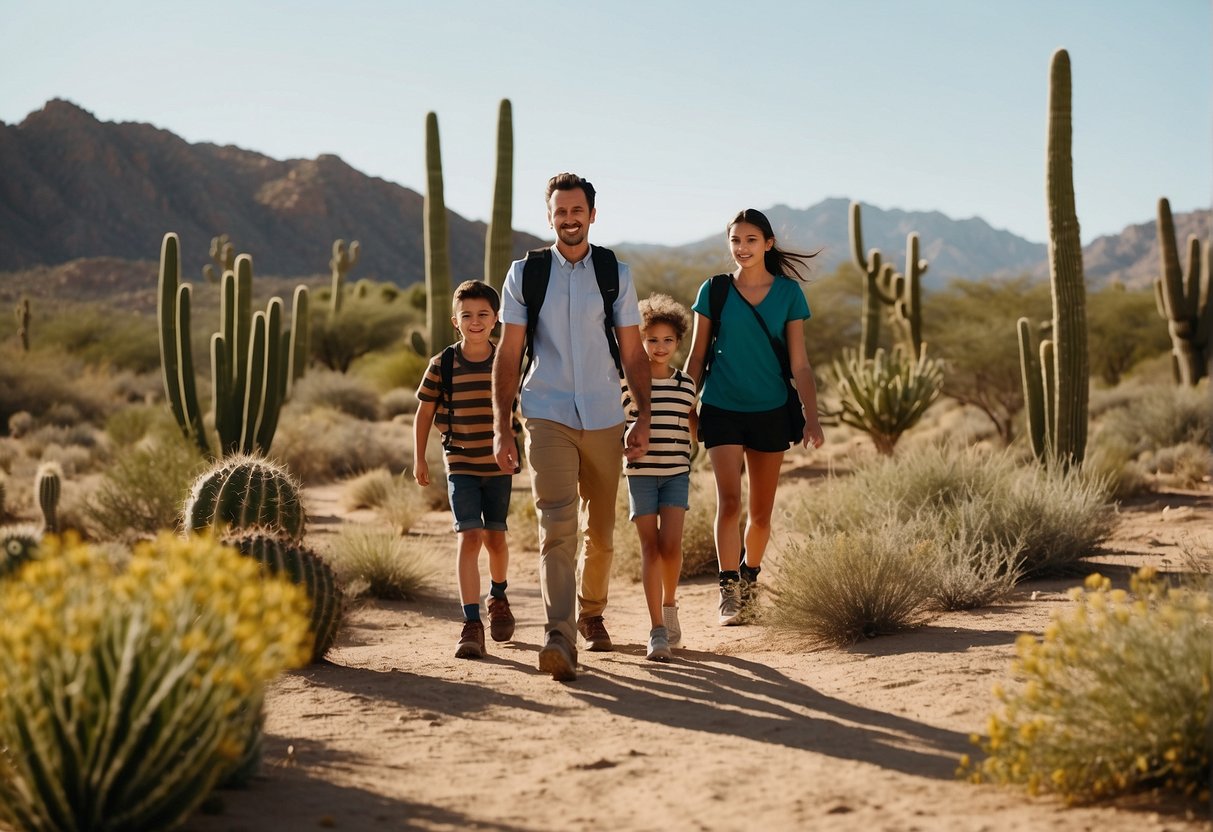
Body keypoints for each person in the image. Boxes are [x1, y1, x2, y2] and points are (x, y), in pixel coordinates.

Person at [492, 172, 651, 682]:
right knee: (556, 527)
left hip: (605, 414)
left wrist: (642, 416)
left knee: (600, 535)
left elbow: (632, 351)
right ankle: (558, 635)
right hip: (546, 412)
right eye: (560, 212)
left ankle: (591, 611)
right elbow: (510, 351)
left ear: (592, 214)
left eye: (577, 210)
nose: (569, 219)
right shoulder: (525, 274)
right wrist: (502, 423)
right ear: (550, 217)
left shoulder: (614, 272)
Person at [684, 208, 825, 626]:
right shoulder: (714, 291)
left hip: (770, 410)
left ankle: (750, 580)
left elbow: (800, 364)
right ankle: (728, 590)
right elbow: (695, 357)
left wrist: (811, 418)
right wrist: (683, 405)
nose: (741, 248)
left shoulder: (788, 294)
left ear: (768, 244)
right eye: (735, 240)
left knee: (761, 513)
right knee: (729, 502)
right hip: (722, 407)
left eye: (750, 240)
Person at [414, 280, 517, 660]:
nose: (475, 321)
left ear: (496, 319)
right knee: (468, 537)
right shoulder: (442, 363)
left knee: (496, 539)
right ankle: (471, 623)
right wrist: (419, 457)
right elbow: (424, 412)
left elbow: (522, 408)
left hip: (498, 464)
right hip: (459, 462)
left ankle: (499, 596)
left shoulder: (506, 359)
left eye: (483, 315)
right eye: (467, 315)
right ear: (455, 321)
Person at [622, 294, 698, 661]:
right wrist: (625, 445)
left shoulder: (686, 385)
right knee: (650, 548)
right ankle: (657, 631)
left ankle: (670, 607)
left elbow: (691, 425)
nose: (660, 347)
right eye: (652, 340)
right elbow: (621, 429)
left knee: (671, 547)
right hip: (640, 476)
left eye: (668, 340)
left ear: (678, 342)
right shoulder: (628, 386)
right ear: (640, 340)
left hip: (676, 474)